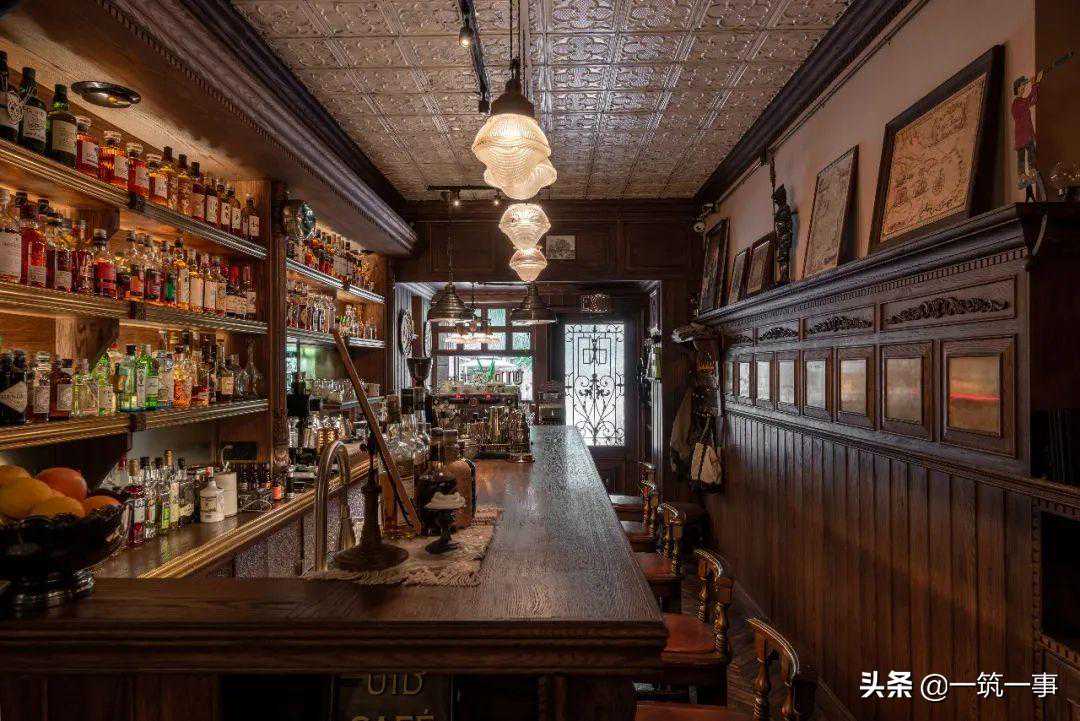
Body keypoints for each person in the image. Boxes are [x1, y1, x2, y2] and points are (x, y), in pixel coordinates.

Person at [1012, 70, 1043, 200]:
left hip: (1028, 134)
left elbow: (1033, 100)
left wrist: (1036, 84)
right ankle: (1022, 175)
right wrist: (1034, 84)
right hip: (1021, 135)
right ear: (1017, 88)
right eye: (1021, 86)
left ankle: (1031, 171)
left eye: (1024, 85)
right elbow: (1027, 102)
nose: (1023, 88)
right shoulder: (1016, 103)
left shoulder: (1023, 101)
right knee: (1021, 157)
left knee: (1031, 154)